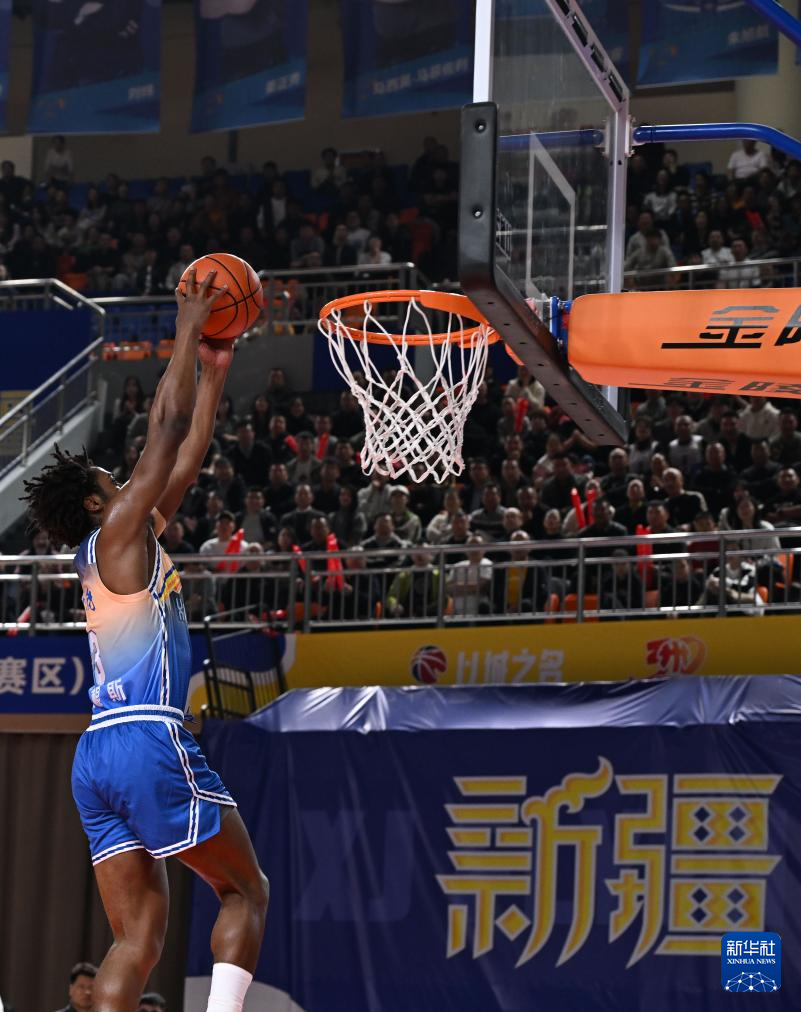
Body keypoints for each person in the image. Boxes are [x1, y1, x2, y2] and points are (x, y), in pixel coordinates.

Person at [23, 271, 268, 1012]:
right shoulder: (120, 533)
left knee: (138, 937)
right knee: (245, 890)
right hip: (147, 737)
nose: (127, 481)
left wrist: (215, 373)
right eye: (114, 478)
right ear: (99, 502)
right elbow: (164, 432)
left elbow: (183, 462)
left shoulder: (118, 544)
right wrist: (187, 329)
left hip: (95, 754)